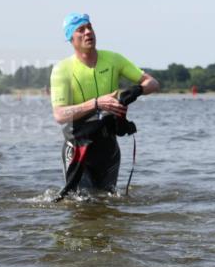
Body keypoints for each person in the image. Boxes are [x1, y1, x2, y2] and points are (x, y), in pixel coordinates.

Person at [49, 13, 160, 194]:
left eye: (90, 27)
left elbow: (153, 83)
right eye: (80, 30)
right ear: (71, 37)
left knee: (107, 204)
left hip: (108, 148)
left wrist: (134, 92)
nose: (87, 32)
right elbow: (60, 115)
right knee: (81, 206)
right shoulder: (62, 69)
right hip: (78, 148)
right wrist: (96, 103)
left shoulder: (113, 59)